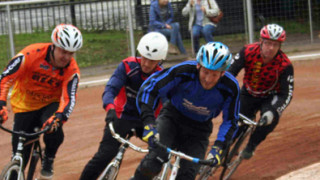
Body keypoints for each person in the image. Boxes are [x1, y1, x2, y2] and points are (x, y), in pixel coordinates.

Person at [131, 42, 240, 180]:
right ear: (198, 65)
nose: (208, 79)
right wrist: (148, 122)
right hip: (171, 118)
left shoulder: (230, 87)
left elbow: (230, 120)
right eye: (205, 72)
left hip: (199, 130)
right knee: (153, 162)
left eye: (214, 75)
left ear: (223, 73)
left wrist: (219, 147)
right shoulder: (184, 71)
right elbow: (150, 89)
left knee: (188, 175)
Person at [79, 32, 168, 180]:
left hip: (148, 123)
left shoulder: (163, 77)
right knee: (104, 156)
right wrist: (110, 108)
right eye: (144, 57)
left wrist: (165, 126)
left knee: (159, 156)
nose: (146, 63)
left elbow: (167, 105)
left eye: (152, 61)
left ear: (160, 60)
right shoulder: (127, 66)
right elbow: (110, 89)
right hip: (122, 116)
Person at [0, 24, 83, 179]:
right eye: (63, 51)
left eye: (70, 53)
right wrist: (1, 104)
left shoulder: (72, 70)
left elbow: (69, 99)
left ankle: (49, 159)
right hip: (24, 105)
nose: (66, 57)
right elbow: (5, 79)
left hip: (49, 105)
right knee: (19, 158)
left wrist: (59, 118)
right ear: (53, 46)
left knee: (55, 131)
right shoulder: (30, 54)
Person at [228, 24, 294, 159]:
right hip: (248, 92)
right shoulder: (247, 51)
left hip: (270, 97)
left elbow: (286, 94)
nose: (270, 48)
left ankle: (251, 145)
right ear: (261, 41)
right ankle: (229, 144)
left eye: (275, 45)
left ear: (280, 46)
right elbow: (230, 72)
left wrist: (274, 111)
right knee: (235, 121)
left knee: (271, 119)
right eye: (268, 43)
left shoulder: (285, 65)